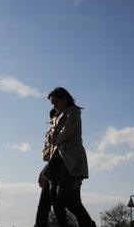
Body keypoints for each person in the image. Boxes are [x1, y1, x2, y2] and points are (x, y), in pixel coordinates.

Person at [42, 87, 96, 227]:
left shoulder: (73, 112)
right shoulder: (56, 116)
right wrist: (52, 136)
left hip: (70, 158)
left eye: (56, 102)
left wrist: (53, 137)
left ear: (65, 99)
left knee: (64, 197)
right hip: (56, 158)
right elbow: (47, 136)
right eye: (52, 103)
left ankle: (88, 224)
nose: (54, 106)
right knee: (54, 197)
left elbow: (67, 132)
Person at [35, 109, 68, 227]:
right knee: (44, 204)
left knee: (56, 203)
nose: (52, 122)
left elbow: (55, 150)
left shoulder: (62, 128)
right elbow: (46, 156)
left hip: (59, 168)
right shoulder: (52, 130)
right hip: (51, 167)